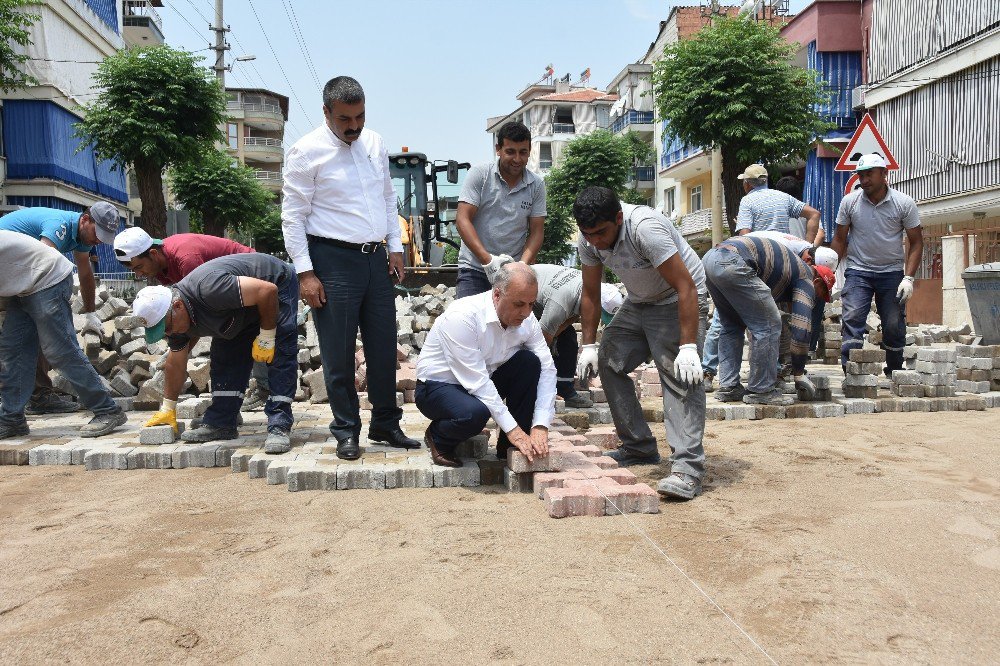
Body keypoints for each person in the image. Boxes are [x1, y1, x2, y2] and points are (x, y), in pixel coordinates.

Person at [282, 75, 420, 460]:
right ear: (326, 112)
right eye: (345, 119)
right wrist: (306, 274)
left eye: (359, 116)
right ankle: (346, 430)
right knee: (338, 352)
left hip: (376, 259)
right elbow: (292, 218)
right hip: (332, 261)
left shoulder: (373, 142)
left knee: (381, 347)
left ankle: (386, 424)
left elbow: (387, 197)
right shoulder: (305, 152)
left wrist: (395, 247)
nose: (354, 126)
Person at [573, 186, 707, 501]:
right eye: (588, 234)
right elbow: (590, 293)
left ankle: (687, 470)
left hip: (679, 299)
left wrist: (688, 348)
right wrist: (588, 345)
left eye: (601, 233)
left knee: (679, 376)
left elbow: (685, 285)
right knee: (608, 360)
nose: (595, 241)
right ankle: (638, 446)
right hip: (639, 301)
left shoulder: (645, 229)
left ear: (618, 218)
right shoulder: (589, 239)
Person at [135, 254, 299, 453]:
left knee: (279, 351)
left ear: (178, 306)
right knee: (225, 355)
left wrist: (266, 334)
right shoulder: (175, 321)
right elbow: (175, 362)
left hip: (274, 283)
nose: (169, 333)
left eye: (167, 327)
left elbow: (267, 291)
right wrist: (168, 407)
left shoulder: (209, 288)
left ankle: (279, 425)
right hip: (238, 306)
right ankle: (221, 422)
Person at [112, 227, 269, 411]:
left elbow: (197, 313)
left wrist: (180, 350)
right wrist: (178, 350)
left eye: (139, 267)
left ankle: (260, 391)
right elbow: (190, 314)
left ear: (153, 253)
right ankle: (229, 409)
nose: (138, 274)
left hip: (254, 279)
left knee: (247, 337)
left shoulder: (186, 259)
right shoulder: (162, 266)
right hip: (228, 292)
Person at [415, 263, 555, 467]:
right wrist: (513, 429)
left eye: (531, 304)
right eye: (519, 304)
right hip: (437, 388)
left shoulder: (527, 318)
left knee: (529, 363)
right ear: (497, 295)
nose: (526, 312)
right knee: (475, 413)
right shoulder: (462, 316)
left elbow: (547, 367)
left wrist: (541, 424)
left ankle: (509, 448)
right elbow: (479, 383)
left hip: (479, 382)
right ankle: (439, 437)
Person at [0, 231, 127, 439]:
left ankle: (107, 410)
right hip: (24, 286)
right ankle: (11, 419)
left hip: (48, 277)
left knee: (59, 350)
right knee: (13, 350)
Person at [702, 235, 835, 406]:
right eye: (820, 293)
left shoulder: (790, 271)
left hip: (711, 259)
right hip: (734, 261)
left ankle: (729, 387)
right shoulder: (807, 277)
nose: (817, 298)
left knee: (732, 325)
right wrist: (799, 373)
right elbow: (801, 331)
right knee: (769, 324)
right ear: (818, 281)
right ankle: (761, 390)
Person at [831, 153, 923, 375]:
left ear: (884, 174)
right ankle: (852, 373)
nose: (864, 180)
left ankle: (894, 370)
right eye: (860, 176)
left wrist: (908, 278)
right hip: (858, 271)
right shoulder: (849, 202)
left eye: (869, 175)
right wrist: (829, 271)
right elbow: (840, 239)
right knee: (852, 318)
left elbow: (916, 242)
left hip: (891, 273)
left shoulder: (904, 203)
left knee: (893, 324)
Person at [454, 121, 546, 297]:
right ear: (498, 149)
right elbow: (462, 220)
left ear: (529, 151)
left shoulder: (536, 185)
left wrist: (521, 267)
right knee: (469, 321)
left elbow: (537, 232)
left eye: (523, 152)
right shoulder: (480, 174)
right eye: (510, 152)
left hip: (512, 273)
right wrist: (488, 262)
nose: (517, 159)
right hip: (474, 269)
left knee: (513, 322)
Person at [521, 264, 626, 408]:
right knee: (533, 348)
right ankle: (527, 390)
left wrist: (557, 335)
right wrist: (544, 388)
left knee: (568, 337)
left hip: (545, 300)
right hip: (522, 300)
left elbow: (572, 317)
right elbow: (540, 342)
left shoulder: (589, 288)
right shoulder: (562, 303)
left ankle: (565, 389)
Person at [735, 164, 823, 242]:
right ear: (766, 180)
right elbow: (814, 214)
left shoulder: (747, 200)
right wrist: (806, 246)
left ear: (747, 184)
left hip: (761, 253)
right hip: (785, 252)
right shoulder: (784, 197)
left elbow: (744, 235)